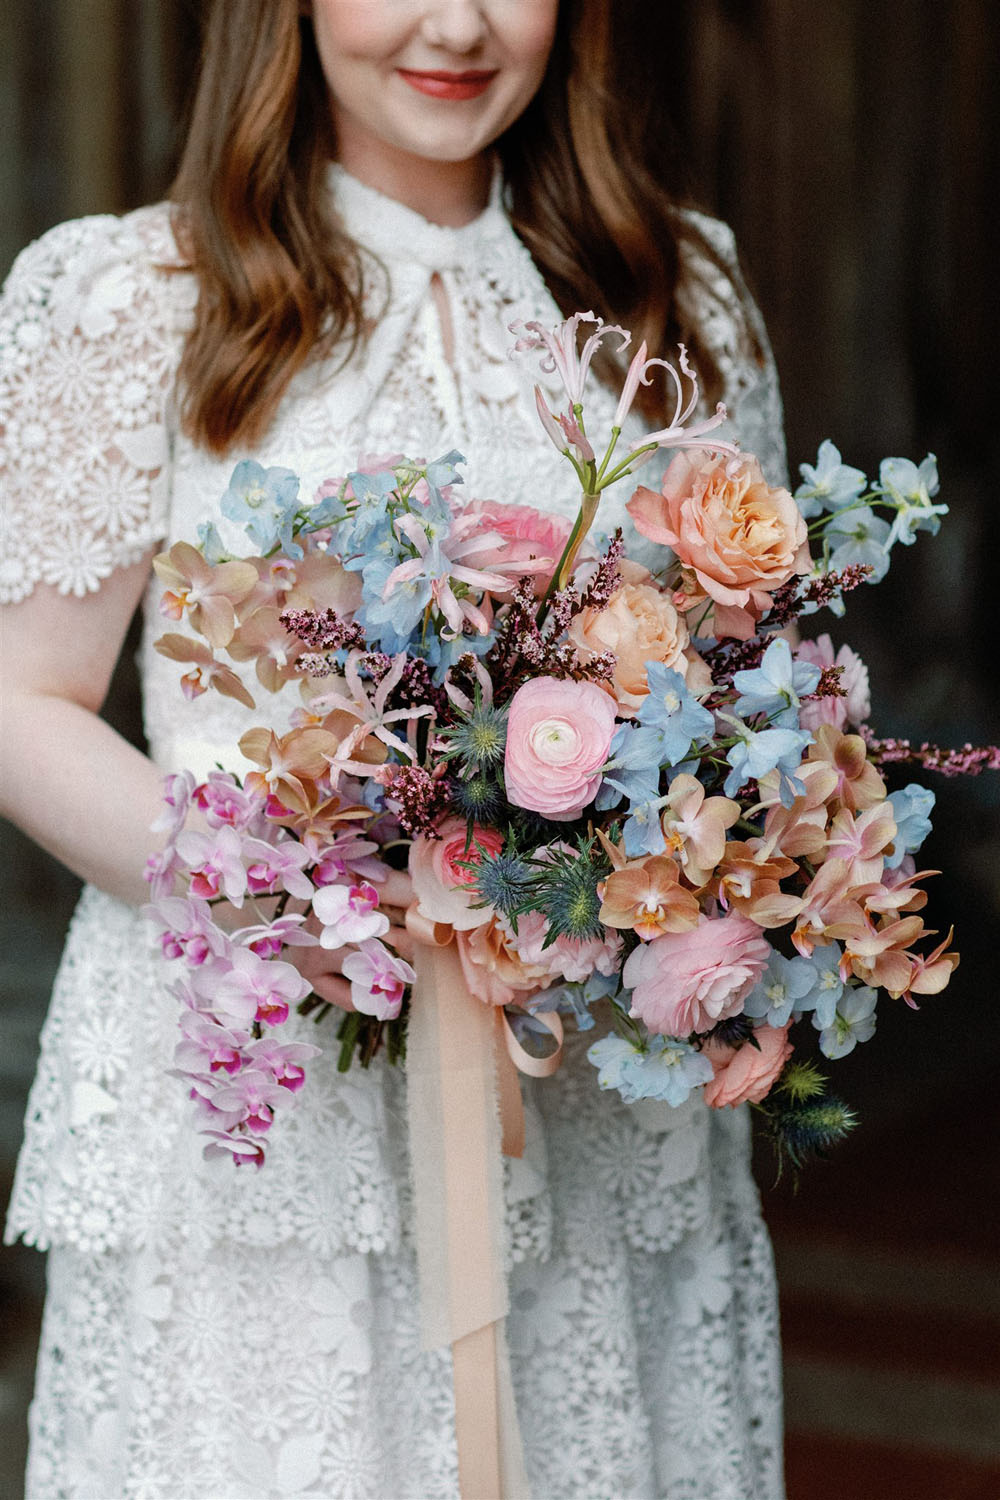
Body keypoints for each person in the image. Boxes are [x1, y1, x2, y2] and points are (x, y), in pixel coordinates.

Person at [1, 3, 788, 1496]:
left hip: (592, 1111)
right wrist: (308, 902)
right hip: (262, 1132)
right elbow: (19, 701)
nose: (457, 24)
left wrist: (658, 864)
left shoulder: (678, 294)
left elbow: (740, 689)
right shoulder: (138, 296)